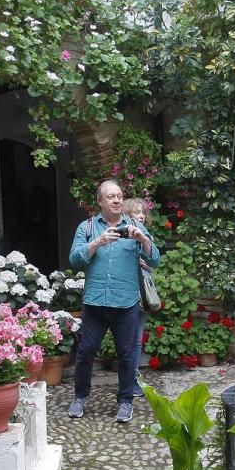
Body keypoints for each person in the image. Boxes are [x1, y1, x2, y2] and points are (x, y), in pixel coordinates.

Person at [67, 180, 159, 423]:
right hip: (95, 303)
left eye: (119, 196)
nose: (117, 200)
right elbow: (75, 259)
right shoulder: (87, 227)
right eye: (111, 196)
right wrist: (97, 243)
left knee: (127, 355)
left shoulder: (135, 225)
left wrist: (143, 240)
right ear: (100, 201)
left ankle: (126, 401)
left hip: (126, 303)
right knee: (86, 352)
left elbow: (156, 258)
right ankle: (80, 397)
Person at [122, 197, 150, 399]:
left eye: (143, 212)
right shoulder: (125, 235)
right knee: (130, 341)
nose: (141, 216)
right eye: (136, 212)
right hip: (127, 295)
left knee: (137, 340)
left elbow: (152, 259)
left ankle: (133, 379)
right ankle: (129, 381)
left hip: (141, 294)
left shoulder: (144, 235)